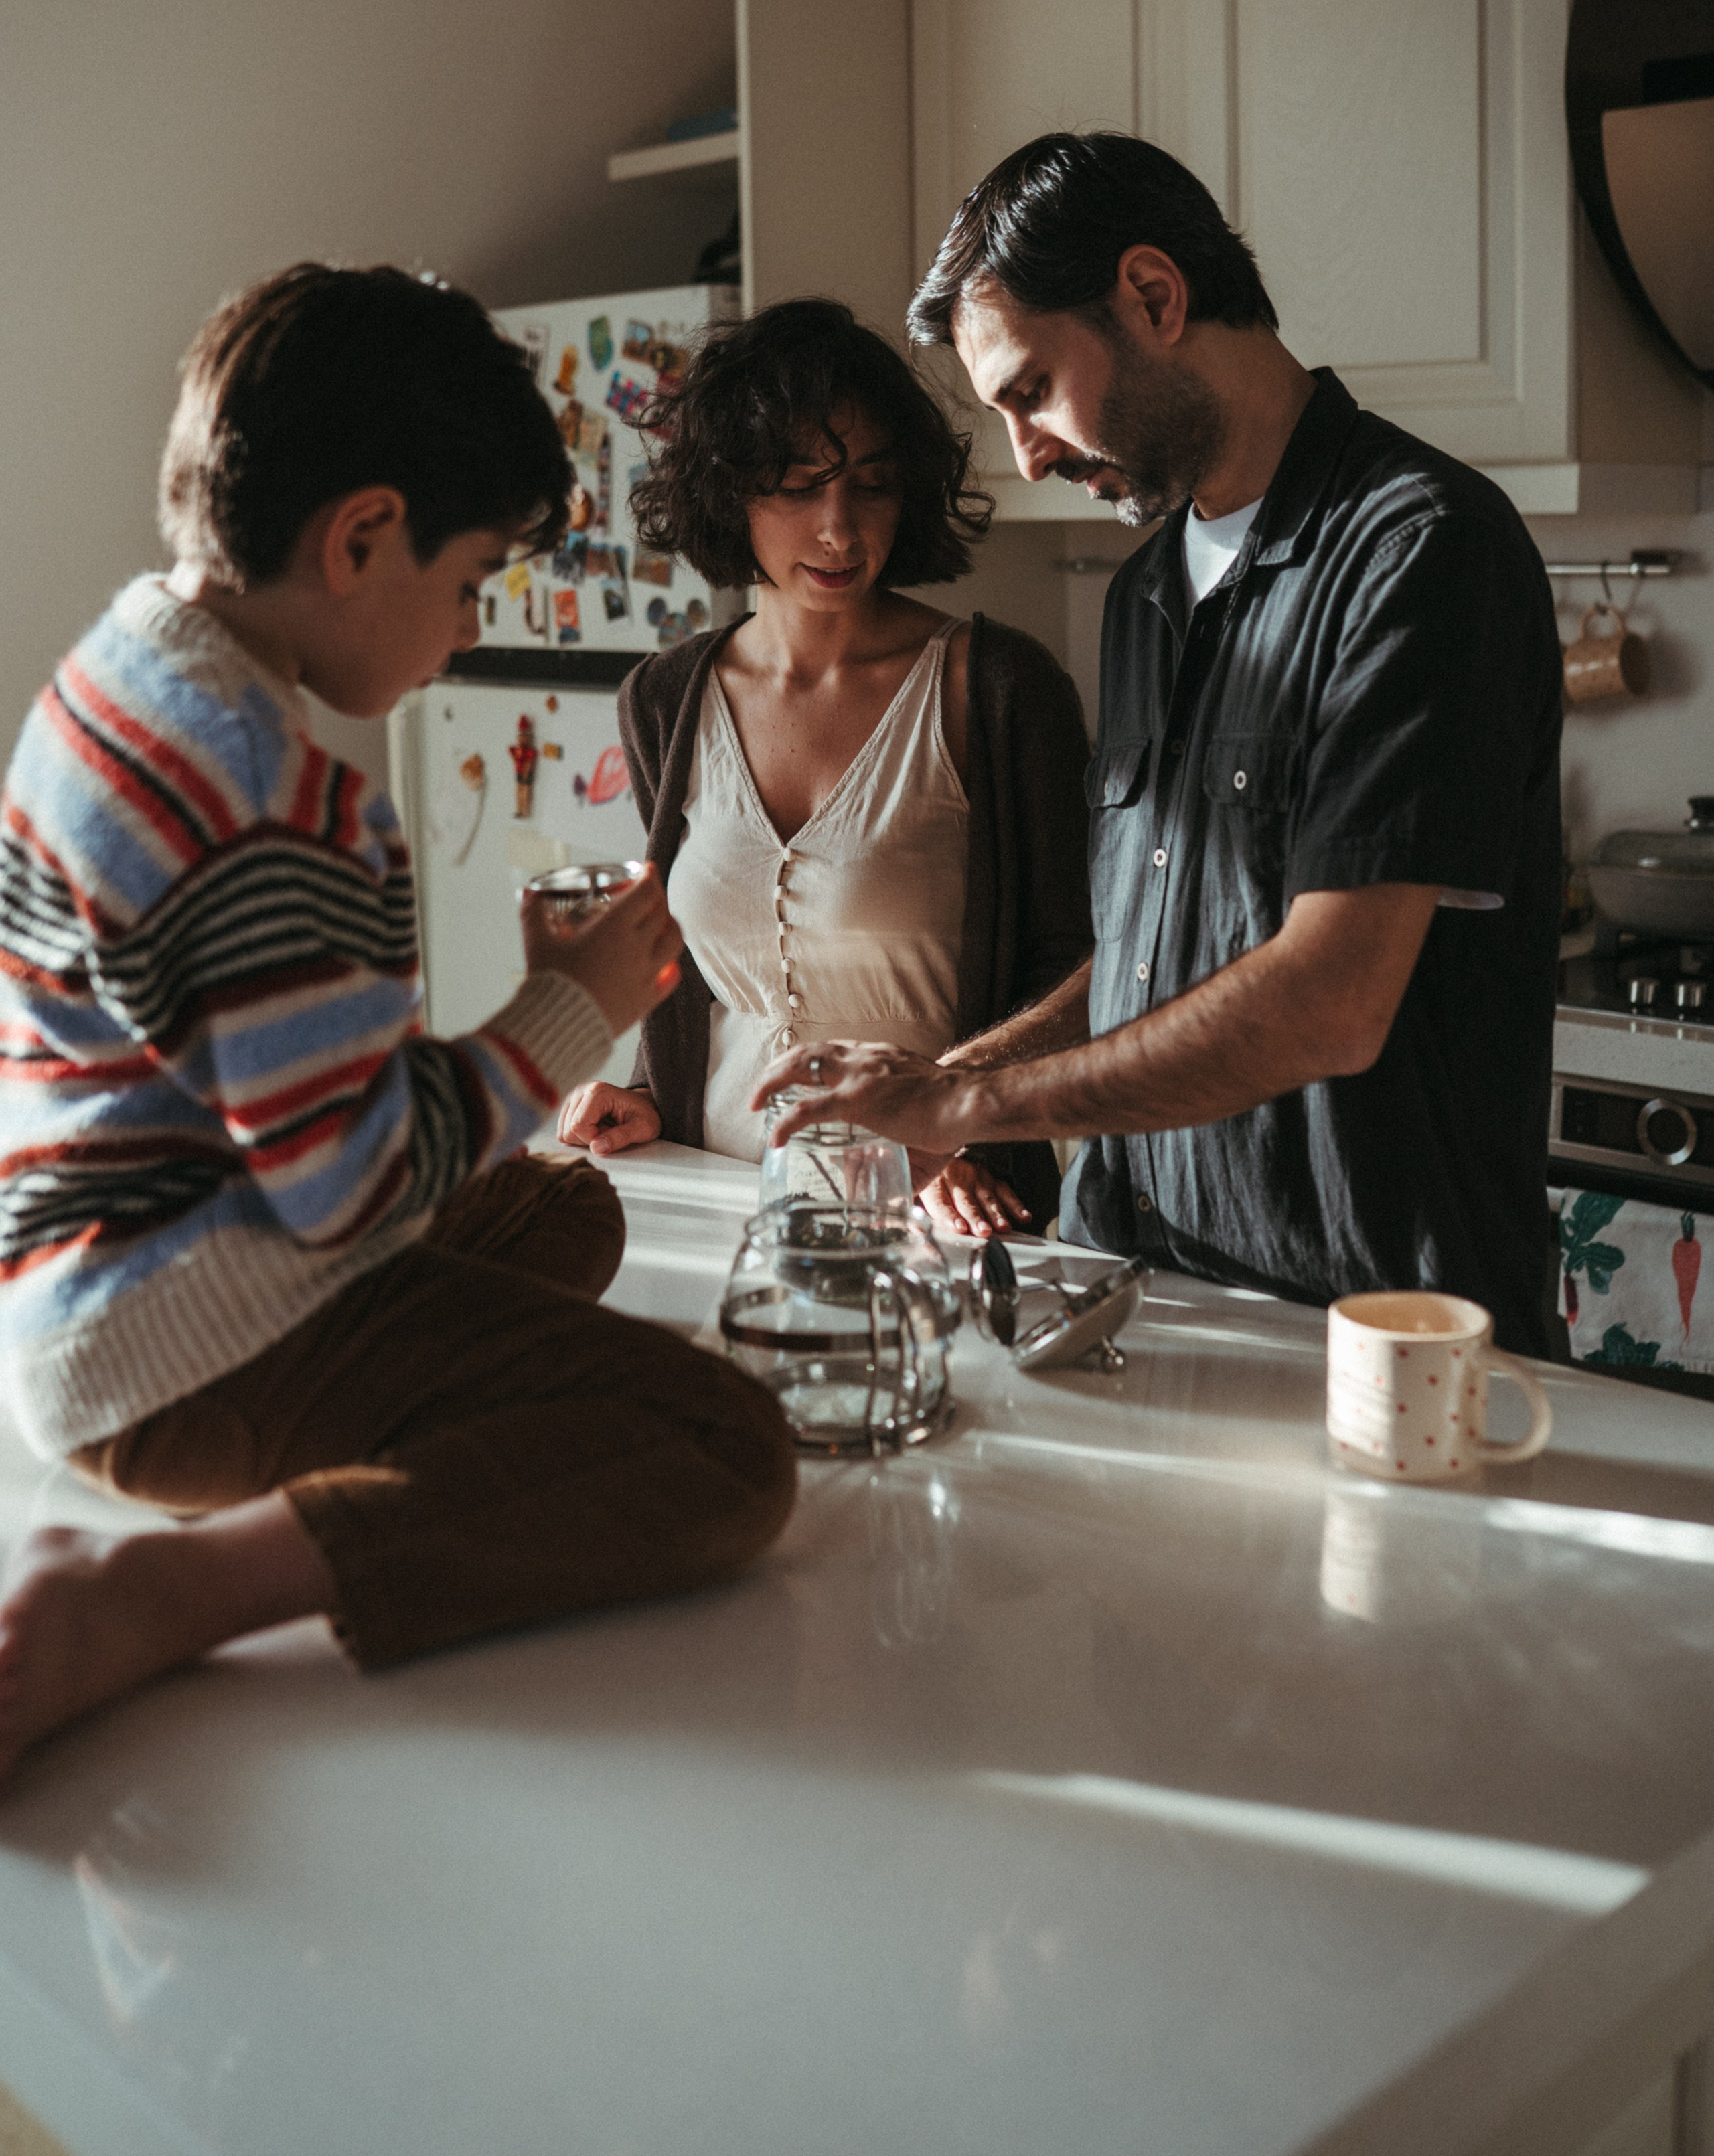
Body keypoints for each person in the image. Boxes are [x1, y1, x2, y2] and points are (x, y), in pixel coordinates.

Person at [0, 263, 797, 1782]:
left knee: (564, 1214)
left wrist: (524, 1020)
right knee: (727, 1451)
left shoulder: (117, 676)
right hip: (179, 1351)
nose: (462, 629)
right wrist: (569, 1014)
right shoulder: (284, 800)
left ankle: (453, 1433)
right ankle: (175, 1590)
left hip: (73, 1296)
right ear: (364, 536)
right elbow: (350, 1187)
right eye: (472, 581)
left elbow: (280, 1090)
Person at [753, 135, 1563, 1357]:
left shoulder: (1420, 549)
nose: (1024, 452)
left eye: (1029, 391)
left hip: (1375, 1336)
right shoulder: (1142, 600)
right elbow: (1156, 954)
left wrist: (964, 1097)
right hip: (1143, 1296)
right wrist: (940, 1094)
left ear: (1152, 296)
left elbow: (1332, 996)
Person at [556, 297, 1093, 1238]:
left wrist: (962, 1128)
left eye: (873, 486)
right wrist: (652, 1095)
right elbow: (697, 967)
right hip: (713, 1192)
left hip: (935, 1206)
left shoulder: (997, 689)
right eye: (798, 487)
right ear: (728, 492)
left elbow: (1085, 966)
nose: (841, 530)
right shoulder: (666, 697)